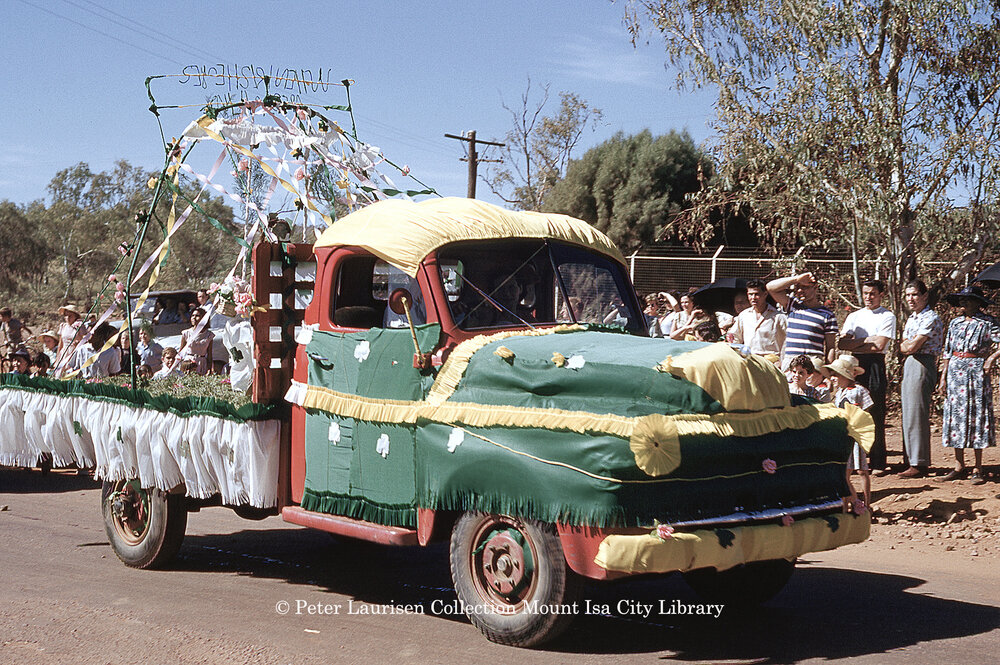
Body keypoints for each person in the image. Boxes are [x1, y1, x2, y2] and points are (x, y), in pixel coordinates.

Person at [936, 285, 1000, 484]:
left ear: (978, 303)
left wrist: (991, 359)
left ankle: (977, 468)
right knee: (956, 415)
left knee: (976, 414)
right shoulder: (955, 323)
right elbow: (947, 350)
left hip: (976, 370)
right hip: (956, 370)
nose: (964, 303)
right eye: (962, 300)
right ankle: (958, 465)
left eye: (969, 300)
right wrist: (943, 376)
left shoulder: (988, 322)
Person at [837, 280, 897, 473]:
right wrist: (867, 339)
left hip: (875, 365)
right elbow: (843, 344)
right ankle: (854, 462)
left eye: (872, 293)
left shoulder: (888, 316)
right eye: (865, 293)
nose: (868, 297)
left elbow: (879, 345)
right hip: (853, 364)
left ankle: (878, 461)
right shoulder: (854, 316)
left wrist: (859, 342)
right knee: (852, 411)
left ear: (881, 295)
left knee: (875, 411)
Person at [897, 280, 944, 478]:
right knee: (908, 411)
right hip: (910, 363)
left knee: (917, 411)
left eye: (915, 295)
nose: (911, 299)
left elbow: (911, 346)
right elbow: (902, 346)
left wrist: (907, 345)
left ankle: (919, 462)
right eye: (908, 295)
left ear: (925, 296)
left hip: (923, 362)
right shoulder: (913, 318)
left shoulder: (930, 318)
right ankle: (910, 459)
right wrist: (907, 345)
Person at [824, 354, 873, 513]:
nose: (833, 378)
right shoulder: (839, 393)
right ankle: (847, 505)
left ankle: (866, 504)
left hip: (856, 435)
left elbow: (867, 410)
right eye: (832, 375)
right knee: (845, 472)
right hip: (844, 436)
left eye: (836, 375)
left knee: (862, 470)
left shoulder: (859, 391)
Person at [767, 272, 837, 370]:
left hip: (813, 362)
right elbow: (770, 287)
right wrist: (797, 279)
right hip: (791, 361)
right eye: (798, 288)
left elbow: (830, 347)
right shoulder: (793, 305)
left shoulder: (827, 315)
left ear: (815, 287)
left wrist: (829, 370)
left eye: (805, 287)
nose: (800, 291)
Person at [730, 278, 786, 361]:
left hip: (772, 362)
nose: (753, 298)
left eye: (756, 294)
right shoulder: (744, 315)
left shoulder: (778, 317)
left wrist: (781, 362)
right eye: (750, 294)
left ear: (765, 294)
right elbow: (735, 338)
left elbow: (787, 342)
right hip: (749, 360)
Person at [176, 307, 214, 375]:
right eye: (192, 315)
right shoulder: (186, 333)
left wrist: (209, 369)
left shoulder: (209, 335)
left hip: (202, 362)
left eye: (197, 316)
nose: (194, 318)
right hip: (188, 362)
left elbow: (209, 355)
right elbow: (181, 352)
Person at [55, 304, 84, 371]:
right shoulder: (63, 326)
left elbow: (84, 339)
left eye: (70, 316)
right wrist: (57, 359)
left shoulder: (79, 326)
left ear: (75, 316)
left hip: (75, 352)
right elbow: (60, 344)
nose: (67, 318)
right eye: (65, 315)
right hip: (64, 352)